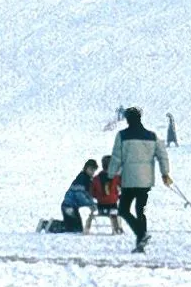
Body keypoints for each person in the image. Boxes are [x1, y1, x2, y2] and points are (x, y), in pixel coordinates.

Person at [109, 107, 171, 252]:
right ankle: (140, 243)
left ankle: (141, 234)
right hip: (146, 180)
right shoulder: (152, 136)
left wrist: (111, 175)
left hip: (129, 180)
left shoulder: (122, 135)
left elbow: (116, 157)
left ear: (128, 119)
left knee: (123, 209)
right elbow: (162, 156)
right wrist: (165, 173)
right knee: (140, 210)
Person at [46, 159, 99, 232]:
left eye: (94, 170)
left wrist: (92, 203)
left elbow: (87, 195)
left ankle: (49, 225)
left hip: (73, 207)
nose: (92, 172)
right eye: (90, 169)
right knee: (72, 229)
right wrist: (90, 204)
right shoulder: (82, 178)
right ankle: (49, 226)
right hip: (68, 206)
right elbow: (79, 195)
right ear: (86, 168)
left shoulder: (88, 180)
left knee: (77, 228)